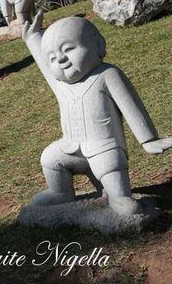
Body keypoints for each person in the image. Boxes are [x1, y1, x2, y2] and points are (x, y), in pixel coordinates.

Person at [23, 12, 172, 216]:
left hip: (104, 148)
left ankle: (118, 197)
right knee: (49, 158)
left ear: (98, 45)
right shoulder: (61, 85)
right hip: (70, 149)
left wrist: (149, 139)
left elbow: (131, 106)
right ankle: (61, 192)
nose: (61, 60)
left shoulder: (107, 75)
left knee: (112, 171)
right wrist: (32, 39)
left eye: (69, 49)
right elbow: (44, 67)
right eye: (53, 57)